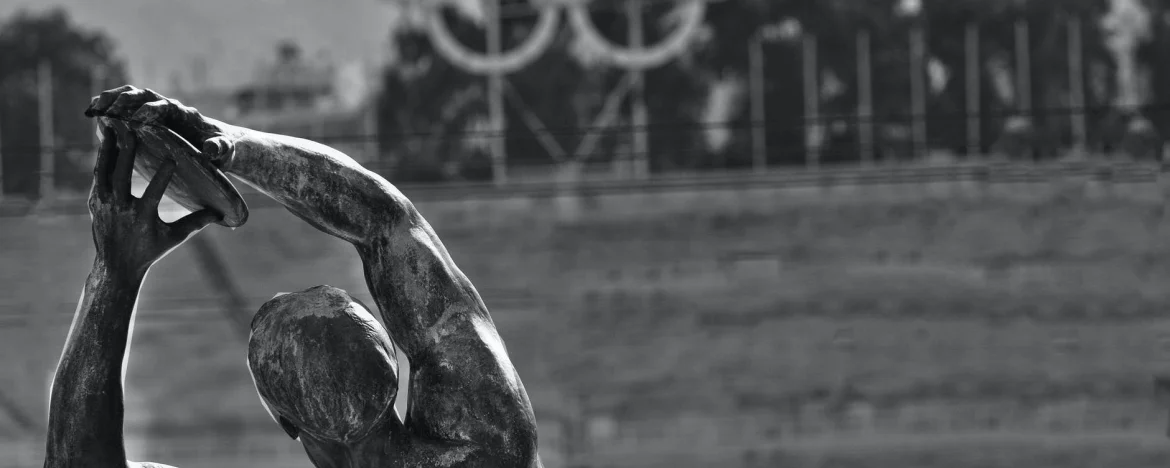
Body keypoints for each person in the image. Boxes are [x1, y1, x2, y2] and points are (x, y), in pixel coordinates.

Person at [44, 86, 541, 467]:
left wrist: (115, 274)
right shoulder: (492, 440)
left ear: (286, 421)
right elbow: (388, 221)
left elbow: (76, 462)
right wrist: (227, 143)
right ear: (391, 362)